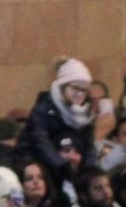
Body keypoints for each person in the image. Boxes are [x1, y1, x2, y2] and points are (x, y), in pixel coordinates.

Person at [16, 57, 96, 185]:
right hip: (40, 163)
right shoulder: (43, 109)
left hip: (71, 164)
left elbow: (89, 146)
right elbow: (40, 141)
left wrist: (89, 171)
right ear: (63, 87)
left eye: (84, 90)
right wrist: (62, 165)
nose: (79, 94)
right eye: (75, 88)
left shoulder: (87, 113)